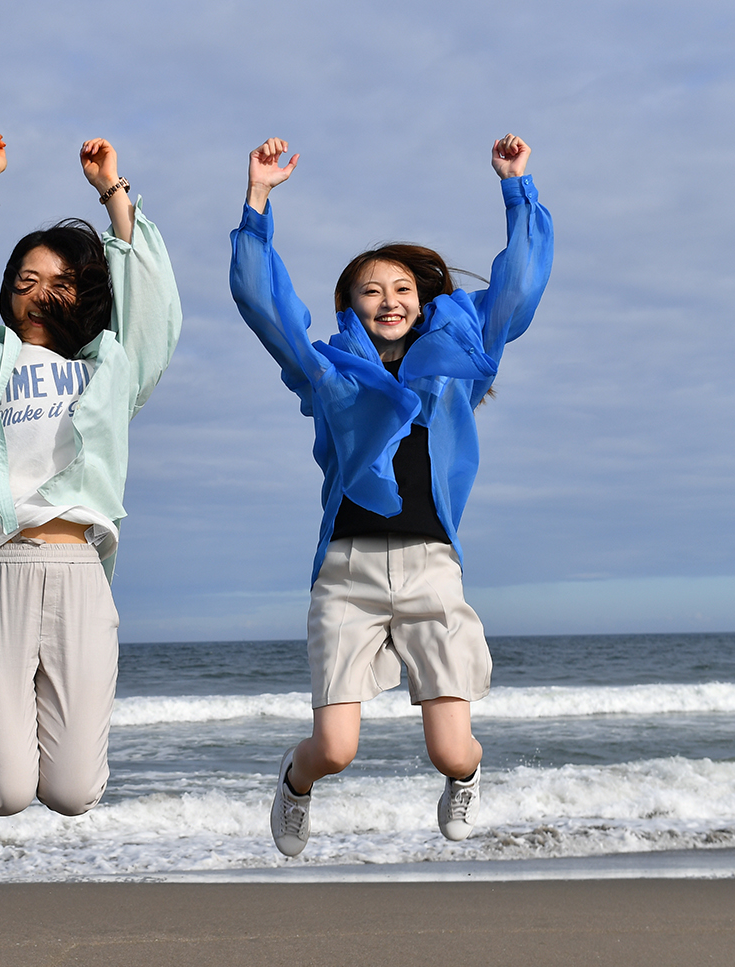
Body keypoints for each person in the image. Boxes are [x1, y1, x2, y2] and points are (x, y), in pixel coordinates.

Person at [229, 134, 552, 855]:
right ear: (350, 304)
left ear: (424, 301)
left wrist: (516, 188)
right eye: (372, 290)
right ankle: (295, 782)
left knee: (451, 751)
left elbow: (520, 287)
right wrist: (257, 202)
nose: (389, 300)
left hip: (432, 566)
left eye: (403, 288)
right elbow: (262, 303)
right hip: (347, 573)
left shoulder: (461, 363)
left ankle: (465, 779)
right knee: (335, 748)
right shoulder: (329, 373)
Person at [0, 129, 181, 817]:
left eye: (60, 283)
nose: (38, 294)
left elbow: (150, 306)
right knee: (3, 793)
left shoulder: (111, 370)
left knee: (72, 792)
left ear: (86, 295)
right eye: (25, 281)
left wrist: (111, 191)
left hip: (77, 576)